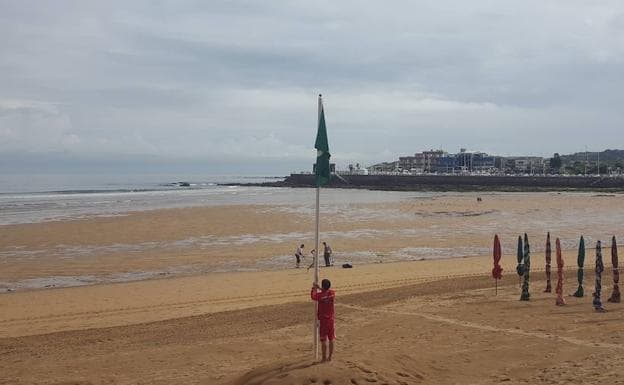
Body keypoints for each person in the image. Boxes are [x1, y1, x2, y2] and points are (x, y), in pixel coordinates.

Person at [311, 279, 335, 362]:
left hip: (323, 320)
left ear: (323, 286)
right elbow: (326, 292)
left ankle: (324, 358)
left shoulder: (319, 295)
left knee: (323, 339)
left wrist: (314, 288)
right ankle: (330, 357)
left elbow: (313, 296)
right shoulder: (332, 293)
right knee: (331, 339)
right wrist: (320, 288)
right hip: (331, 319)